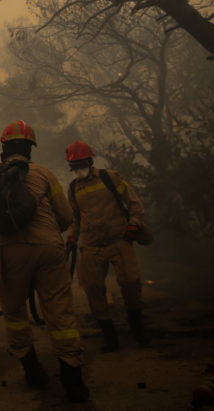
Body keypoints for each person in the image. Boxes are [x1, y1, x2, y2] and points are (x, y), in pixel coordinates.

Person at [0, 121, 89, 403]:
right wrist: (47, 236)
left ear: (3, 149)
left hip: (11, 252)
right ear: (30, 150)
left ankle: (32, 369)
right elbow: (68, 217)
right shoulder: (45, 174)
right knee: (60, 312)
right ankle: (72, 378)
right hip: (49, 249)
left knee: (15, 314)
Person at [64, 140, 150, 351]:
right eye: (74, 165)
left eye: (81, 163)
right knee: (92, 288)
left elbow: (134, 202)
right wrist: (72, 237)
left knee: (131, 281)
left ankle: (136, 325)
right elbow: (74, 216)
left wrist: (134, 224)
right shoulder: (73, 188)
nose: (78, 168)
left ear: (90, 161)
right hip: (92, 246)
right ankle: (109, 334)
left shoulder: (109, 177)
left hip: (119, 240)